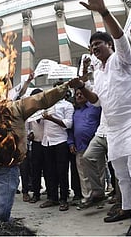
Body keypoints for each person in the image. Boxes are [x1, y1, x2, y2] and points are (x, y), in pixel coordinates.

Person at [0, 78, 83, 222]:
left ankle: (0, 221)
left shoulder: (16, 108)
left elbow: (42, 99)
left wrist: (66, 86)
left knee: (0, 214)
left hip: (8, 168)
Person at [77, 0, 131, 235]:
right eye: (92, 46)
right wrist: (81, 87)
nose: (94, 48)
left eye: (99, 44)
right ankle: (127, 207)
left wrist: (104, 12)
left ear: (110, 46)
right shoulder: (99, 72)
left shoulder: (122, 58)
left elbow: (119, 37)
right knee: (120, 172)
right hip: (113, 129)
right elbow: (96, 101)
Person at [39, 81, 75, 212]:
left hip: (60, 142)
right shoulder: (46, 106)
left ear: (65, 92)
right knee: (49, 171)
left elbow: (69, 124)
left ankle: (64, 199)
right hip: (46, 141)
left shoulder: (67, 105)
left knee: (62, 171)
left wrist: (51, 118)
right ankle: (52, 197)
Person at [67, 86, 102, 207]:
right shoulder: (74, 112)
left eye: (81, 93)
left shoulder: (95, 108)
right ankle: (87, 198)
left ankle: (100, 197)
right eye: (76, 94)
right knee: (83, 175)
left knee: (98, 172)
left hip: (95, 146)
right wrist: (71, 143)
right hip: (79, 147)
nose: (79, 96)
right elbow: (70, 130)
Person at [25, 88, 46, 204]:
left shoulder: (48, 108)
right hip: (36, 143)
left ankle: (50, 194)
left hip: (47, 142)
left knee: (48, 169)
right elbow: (27, 128)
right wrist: (29, 134)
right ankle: (36, 194)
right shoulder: (30, 110)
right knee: (35, 170)